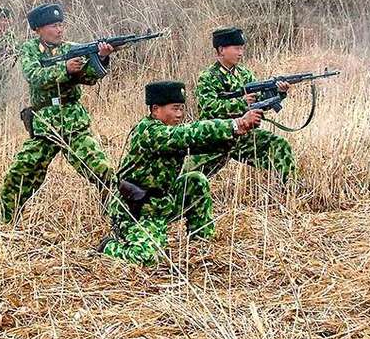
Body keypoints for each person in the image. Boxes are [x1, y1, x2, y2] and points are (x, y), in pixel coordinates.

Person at [98, 81, 262, 265]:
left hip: (161, 203)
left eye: (182, 109)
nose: (179, 114)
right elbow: (189, 133)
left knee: (196, 181)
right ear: (155, 109)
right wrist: (235, 124)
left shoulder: (171, 132)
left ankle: (200, 243)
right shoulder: (149, 132)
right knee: (148, 258)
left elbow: (204, 142)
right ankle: (108, 247)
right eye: (175, 108)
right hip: (136, 210)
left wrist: (239, 132)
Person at [0, 3, 116, 223]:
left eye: (61, 25)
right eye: (53, 26)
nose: (59, 30)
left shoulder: (71, 48)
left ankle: (116, 218)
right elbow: (34, 76)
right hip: (45, 125)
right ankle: (4, 223)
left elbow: (88, 78)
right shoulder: (29, 49)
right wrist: (64, 69)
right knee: (20, 174)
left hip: (73, 123)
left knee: (103, 171)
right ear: (38, 29)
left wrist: (101, 57)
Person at [185, 27, 295, 183]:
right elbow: (208, 107)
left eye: (242, 48)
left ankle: (288, 187)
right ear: (221, 50)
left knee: (279, 146)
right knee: (188, 177)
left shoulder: (245, 74)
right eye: (237, 48)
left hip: (243, 136)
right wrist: (242, 103)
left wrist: (278, 94)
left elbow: (260, 103)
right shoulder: (207, 77)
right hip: (216, 137)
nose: (241, 53)